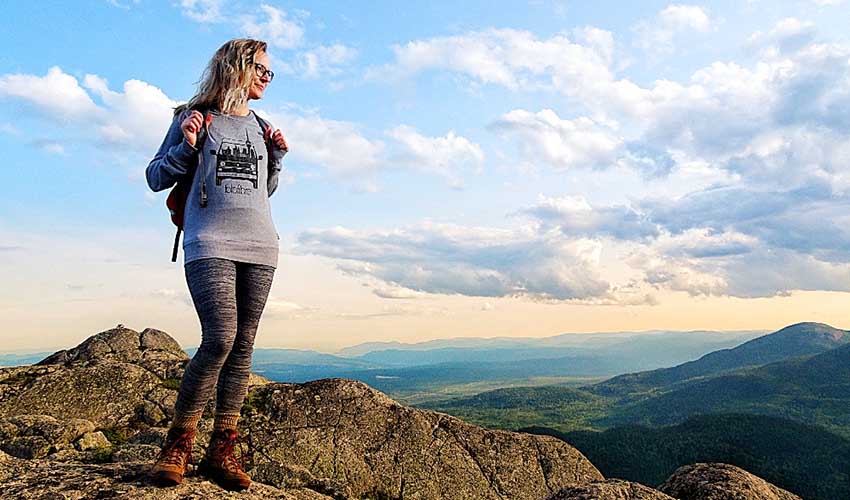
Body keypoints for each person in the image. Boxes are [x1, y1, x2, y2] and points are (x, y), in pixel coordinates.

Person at [144, 38, 288, 491]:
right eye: (262, 69)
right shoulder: (194, 116)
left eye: (270, 73)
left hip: (261, 245)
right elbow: (155, 176)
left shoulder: (262, 127)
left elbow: (260, 194)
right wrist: (186, 146)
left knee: (243, 345)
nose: (267, 78)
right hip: (209, 241)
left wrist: (277, 159)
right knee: (220, 338)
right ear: (238, 68)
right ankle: (178, 443)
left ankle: (221, 449)